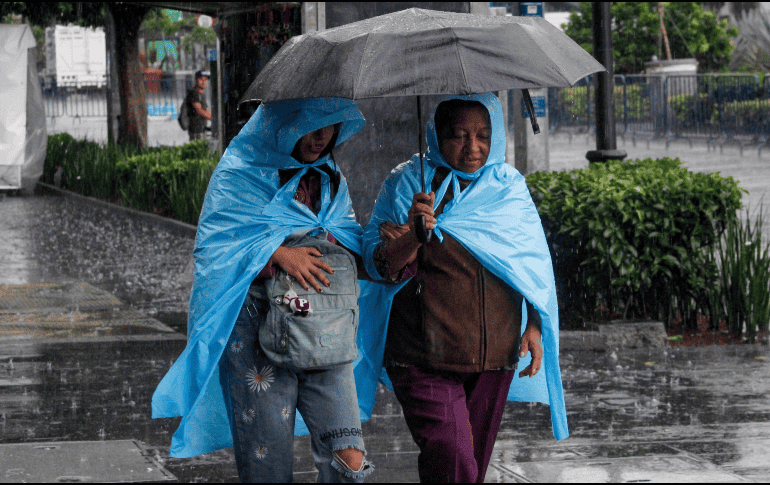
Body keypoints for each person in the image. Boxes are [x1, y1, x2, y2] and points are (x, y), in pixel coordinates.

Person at [152, 98, 374, 483]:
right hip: (256, 334)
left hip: (325, 334)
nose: (320, 137)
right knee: (267, 466)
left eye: (329, 124)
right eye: (308, 124)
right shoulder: (241, 173)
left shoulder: (329, 176)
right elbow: (217, 248)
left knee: (349, 458)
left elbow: (351, 241)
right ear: (282, 122)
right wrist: (278, 254)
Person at [356, 93, 568, 483]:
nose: (474, 147)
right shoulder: (407, 183)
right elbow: (376, 264)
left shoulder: (507, 187)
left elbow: (530, 261)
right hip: (423, 356)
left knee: (468, 467)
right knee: (454, 458)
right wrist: (413, 235)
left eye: (483, 135)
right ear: (436, 136)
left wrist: (535, 324)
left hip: (494, 357)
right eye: (458, 136)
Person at [185, 70, 212, 141]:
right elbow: (199, 111)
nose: (204, 82)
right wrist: (213, 118)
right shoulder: (194, 94)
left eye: (206, 79)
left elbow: (206, 109)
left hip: (202, 129)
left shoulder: (201, 94)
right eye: (201, 79)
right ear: (196, 79)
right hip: (196, 130)